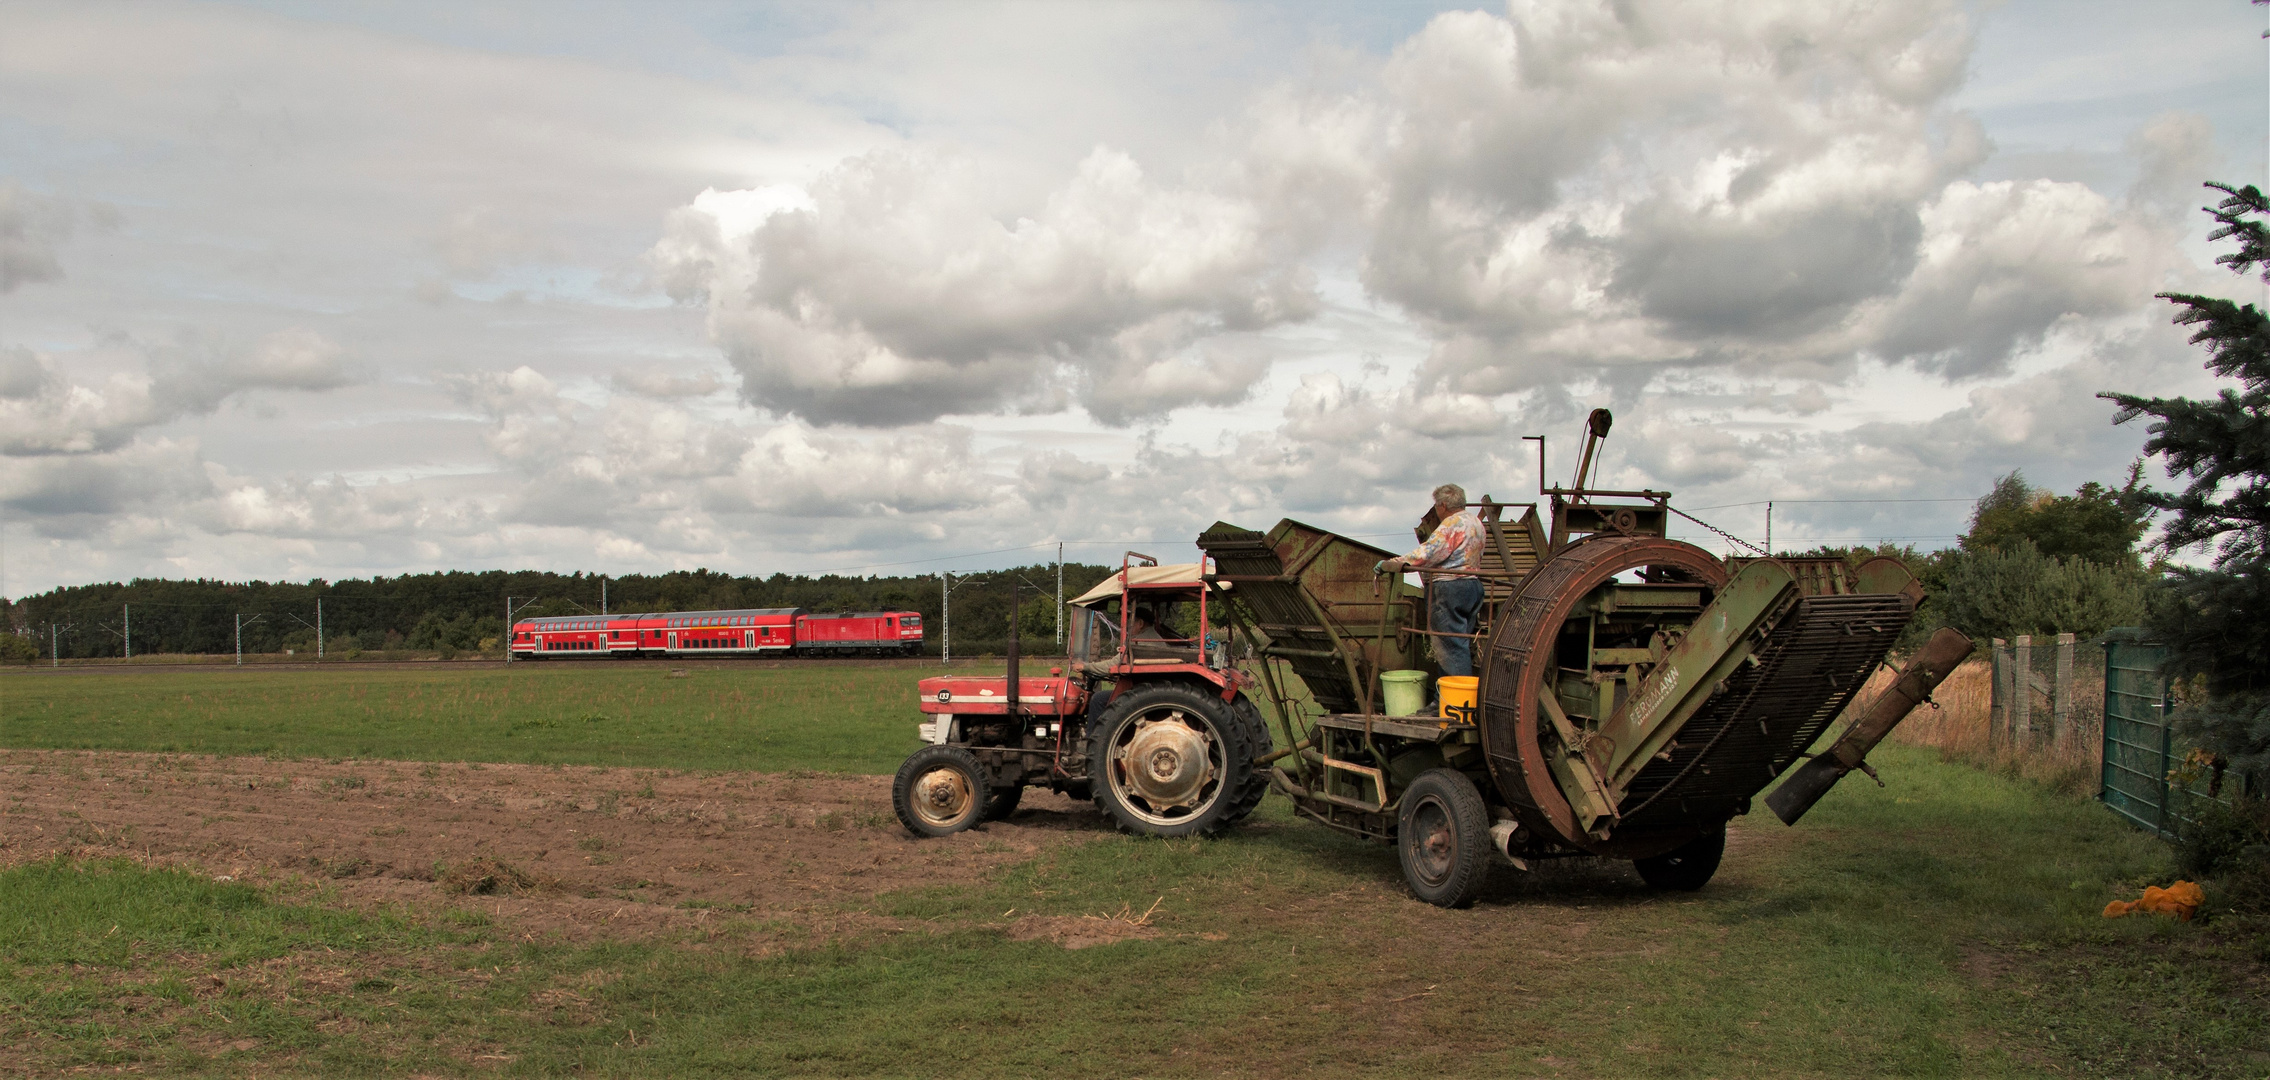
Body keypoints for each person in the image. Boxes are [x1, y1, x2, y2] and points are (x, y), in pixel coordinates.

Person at [1375, 483, 1485, 677]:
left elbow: (1428, 553)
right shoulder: (1476, 523)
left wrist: (1394, 563)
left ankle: (1453, 702)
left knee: (1450, 646)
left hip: (1450, 587)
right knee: (1460, 644)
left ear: (1442, 505)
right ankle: (1446, 697)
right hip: (1472, 585)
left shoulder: (1451, 525)